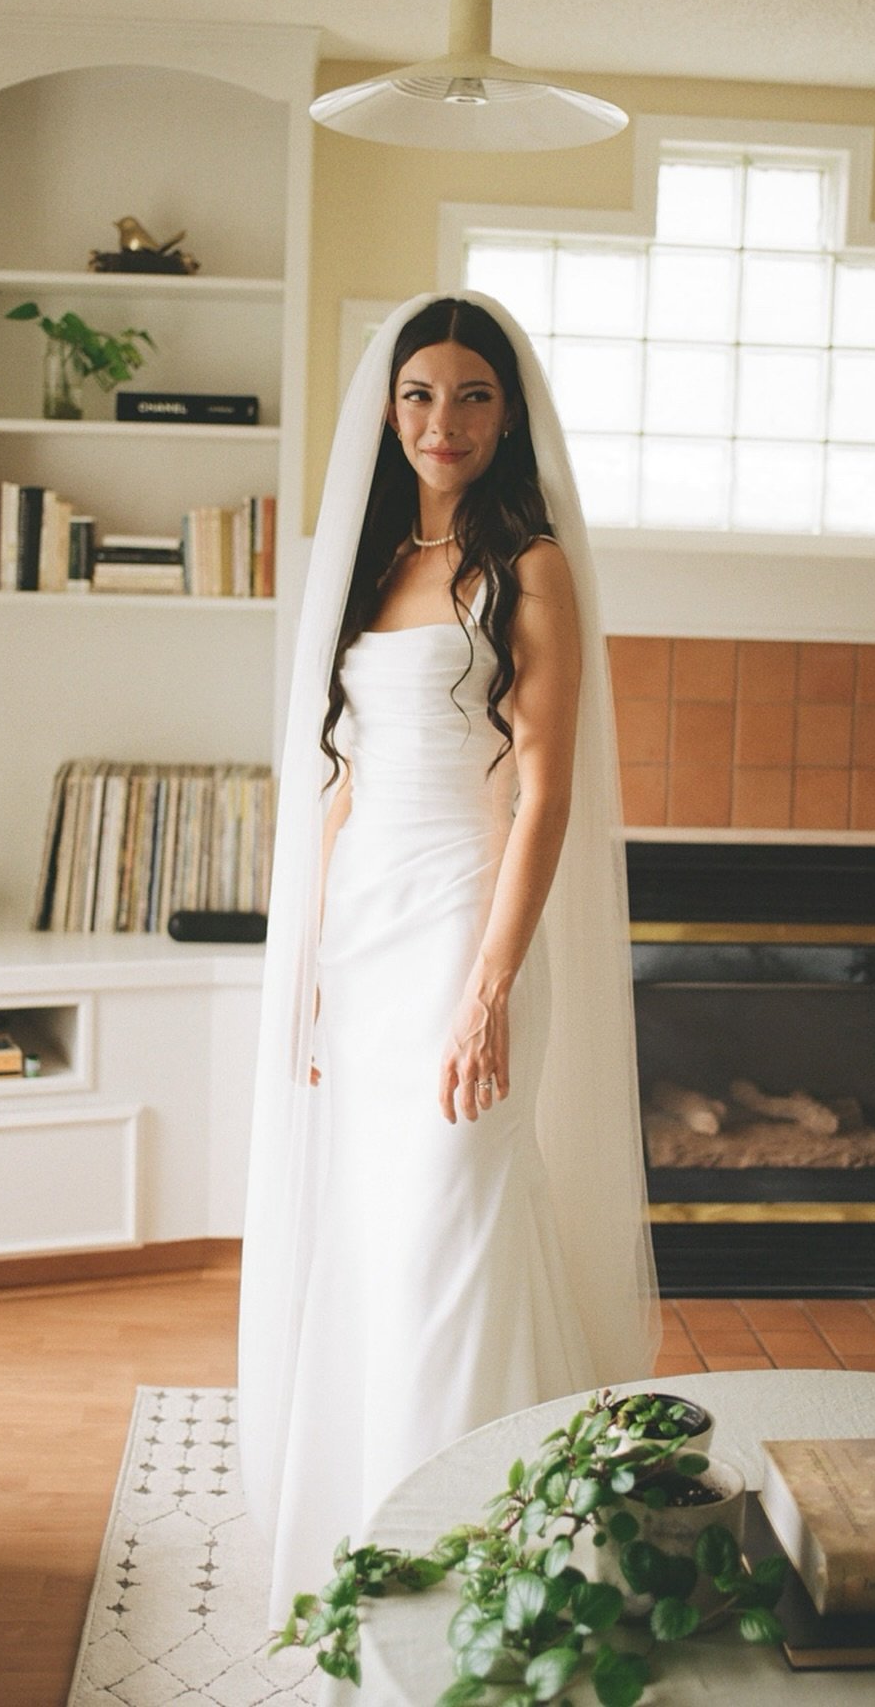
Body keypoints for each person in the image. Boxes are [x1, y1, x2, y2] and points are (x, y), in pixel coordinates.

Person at [237, 293, 659, 1624]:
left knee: (454, 1217)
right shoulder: (369, 567)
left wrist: (487, 991)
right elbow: (346, 781)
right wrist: (313, 966)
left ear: (508, 414)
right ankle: (373, 1527)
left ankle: (491, 1555)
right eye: (421, 393)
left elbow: (546, 795)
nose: (444, 421)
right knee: (377, 1229)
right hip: (365, 935)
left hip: (467, 927)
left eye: (473, 395)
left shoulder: (529, 567)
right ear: (388, 408)